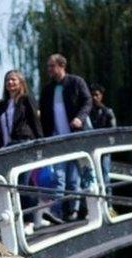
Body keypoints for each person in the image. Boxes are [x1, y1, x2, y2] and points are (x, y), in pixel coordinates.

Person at [38, 54, 92, 221]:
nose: (49, 70)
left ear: (61, 66)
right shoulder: (48, 90)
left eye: (51, 66)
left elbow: (87, 101)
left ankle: (72, 211)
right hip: (56, 138)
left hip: (74, 136)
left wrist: (79, 118)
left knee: (73, 178)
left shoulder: (76, 82)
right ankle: (56, 212)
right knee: (58, 176)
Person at [0, 70, 50, 233]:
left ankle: (28, 222)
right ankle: (27, 218)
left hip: (24, 142)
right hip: (10, 145)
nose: (10, 83)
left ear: (20, 82)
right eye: (7, 81)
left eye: (13, 80)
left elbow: (35, 120)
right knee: (20, 184)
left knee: (24, 183)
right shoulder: (5, 104)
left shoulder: (26, 99)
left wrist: (40, 142)